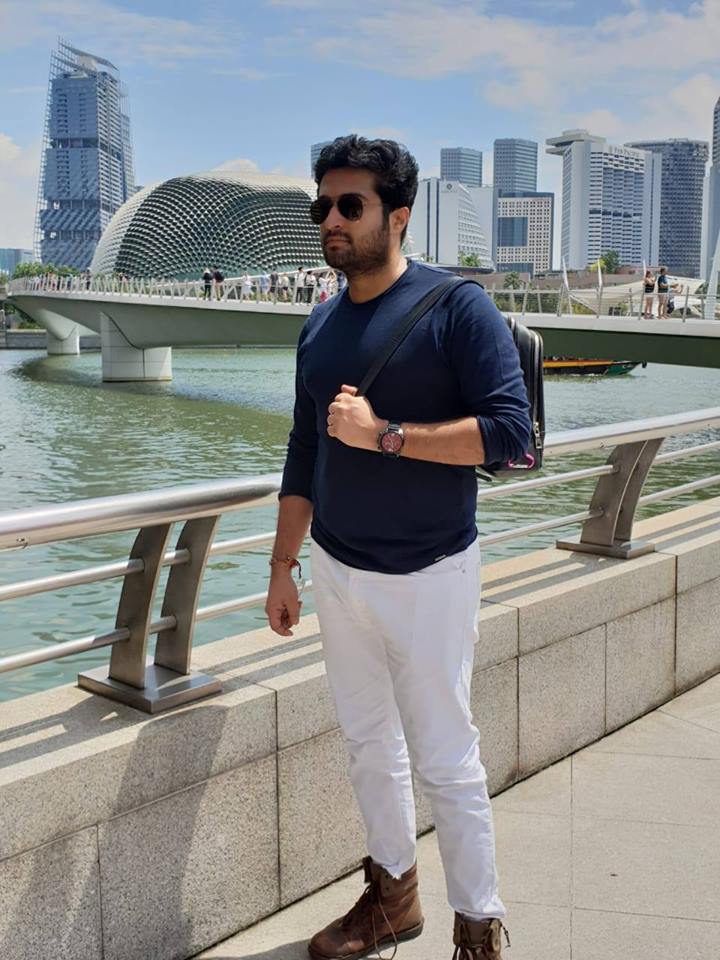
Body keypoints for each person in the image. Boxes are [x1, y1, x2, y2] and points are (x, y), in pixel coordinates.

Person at [265, 135, 529, 960]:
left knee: (447, 760)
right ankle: (392, 898)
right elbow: (304, 448)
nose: (332, 220)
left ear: (399, 215)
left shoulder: (457, 308)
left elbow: (510, 435)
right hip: (337, 569)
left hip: (429, 573)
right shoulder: (319, 323)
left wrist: (386, 435)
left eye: (351, 205)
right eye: (323, 205)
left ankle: (478, 928)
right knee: (367, 745)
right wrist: (282, 565)